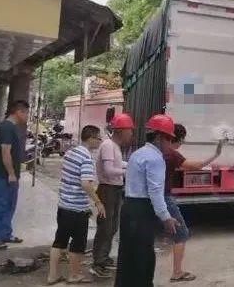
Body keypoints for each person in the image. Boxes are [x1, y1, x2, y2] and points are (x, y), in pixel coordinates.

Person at [115, 114, 179, 287]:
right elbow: (155, 192)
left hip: (129, 207)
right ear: (159, 138)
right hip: (141, 211)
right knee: (143, 258)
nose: (170, 144)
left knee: (127, 257)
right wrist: (166, 217)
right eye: (169, 139)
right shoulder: (155, 158)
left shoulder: (138, 154)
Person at [161, 124, 223, 283]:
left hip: (150, 197)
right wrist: (216, 155)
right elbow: (197, 166)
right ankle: (177, 272)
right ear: (179, 139)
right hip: (164, 197)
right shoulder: (172, 154)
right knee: (181, 234)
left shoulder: (157, 151)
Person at [47, 125, 105, 285]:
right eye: (99, 138)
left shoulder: (71, 152)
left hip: (63, 205)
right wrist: (98, 202)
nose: (100, 141)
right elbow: (86, 184)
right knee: (78, 244)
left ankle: (52, 275)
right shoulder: (86, 157)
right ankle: (74, 275)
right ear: (92, 138)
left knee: (59, 241)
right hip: (77, 208)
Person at [90, 113, 134, 278]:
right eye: (129, 130)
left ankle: (104, 257)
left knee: (113, 226)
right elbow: (109, 170)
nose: (131, 134)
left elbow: (117, 164)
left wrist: (130, 164)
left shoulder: (114, 146)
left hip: (114, 189)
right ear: (121, 130)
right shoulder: (108, 145)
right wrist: (128, 170)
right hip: (107, 189)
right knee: (106, 227)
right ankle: (98, 262)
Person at [0, 100, 29, 250]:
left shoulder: (12, 128)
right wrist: (11, 173)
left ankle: (5, 234)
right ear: (19, 112)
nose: (27, 116)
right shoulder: (6, 128)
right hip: (3, 176)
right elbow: (5, 152)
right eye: (26, 113)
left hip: (11, 176)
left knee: (10, 206)